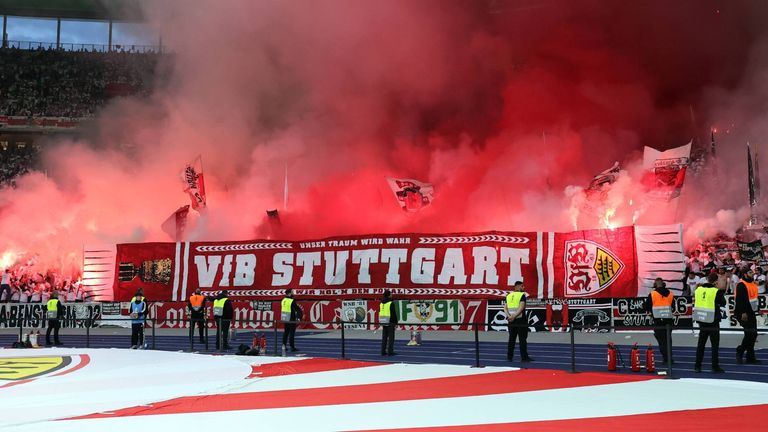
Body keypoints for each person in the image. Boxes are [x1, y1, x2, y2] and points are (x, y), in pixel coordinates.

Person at [693, 273, 726, 373]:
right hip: (713, 320)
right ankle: (714, 366)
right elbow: (723, 302)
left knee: (701, 344)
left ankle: (697, 366)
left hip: (702, 319)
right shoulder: (716, 291)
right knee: (714, 345)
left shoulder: (698, 290)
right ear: (716, 282)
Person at [734, 268, 762, 364]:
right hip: (742, 313)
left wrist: (758, 309)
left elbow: (753, 299)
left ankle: (750, 357)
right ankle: (740, 351)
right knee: (751, 334)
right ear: (745, 274)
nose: (752, 273)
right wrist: (743, 313)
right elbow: (740, 300)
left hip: (751, 312)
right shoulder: (741, 285)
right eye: (750, 272)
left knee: (752, 335)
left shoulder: (753, 284)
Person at [646, 278, 674, 363]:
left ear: (655, 284)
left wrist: (651, 313)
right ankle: (669, 357)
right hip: (668, 320)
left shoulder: (652, 294)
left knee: (661, 340)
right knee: (668, 339)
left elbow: (646, 306)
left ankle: (666, 357)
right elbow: (673, 306)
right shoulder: (670, 293)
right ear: (663, 284)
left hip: (658, 320)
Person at [504, 281, 533, 362]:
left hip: (511, 321)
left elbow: (505, 308)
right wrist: (514, 316)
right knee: (522, 339)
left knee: (511, 339)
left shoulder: (509, 295)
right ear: (518, 286)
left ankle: (509, 357)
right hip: (521, 321)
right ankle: (524, 357)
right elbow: (521, 308)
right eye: (522, 286)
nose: (523, 288)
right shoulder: (522, 295)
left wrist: (509, 316)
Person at [280, 288, 303, 353]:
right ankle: (292, 347)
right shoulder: (292, 300)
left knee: (286, 332)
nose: (293, 293)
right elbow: (297, 309)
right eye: (292, 292)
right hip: (291, 318)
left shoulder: (283, 300)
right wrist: (299, 317)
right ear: (289, 293)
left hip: (285, 318)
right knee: (292, 333)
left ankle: (283, 346)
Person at [379, 289, 398, 356]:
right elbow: (393, 313)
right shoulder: (390, 303)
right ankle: (390, 351)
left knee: (384, 337)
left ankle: (383, 351)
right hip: (390, 321)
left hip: (383, 321)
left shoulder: (381, 303)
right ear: (388, 295)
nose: (392, 295)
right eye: (391, 294)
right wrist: (395, 322)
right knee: (391, 337)